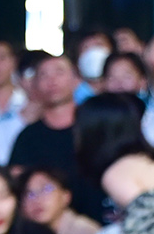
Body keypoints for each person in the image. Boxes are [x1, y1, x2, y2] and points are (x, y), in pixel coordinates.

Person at [9, 53, 103, 220]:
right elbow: (17, 183)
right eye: (44, 75)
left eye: (59, 72)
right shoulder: (28, 137)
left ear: (76, 80)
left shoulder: (96, 128)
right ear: (35, 86)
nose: (52, 81)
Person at [19, 167, 99, 234]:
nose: (37, 200)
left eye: (46, 189)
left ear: (66, 196)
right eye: (29, 194)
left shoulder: (84, 232)